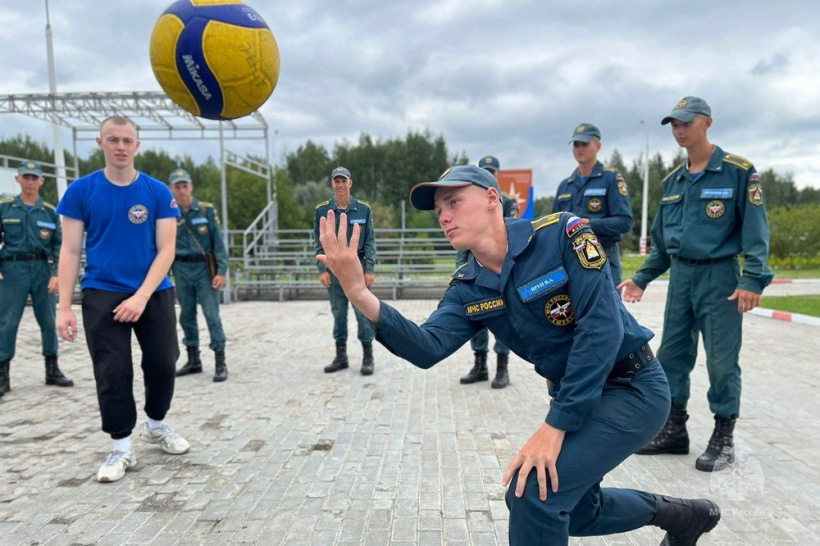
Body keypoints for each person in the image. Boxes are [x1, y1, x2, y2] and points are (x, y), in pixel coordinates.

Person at [318, 164, 721, 545]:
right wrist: (359, 292)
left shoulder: (563, 233)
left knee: (534, 496)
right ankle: (682, 517)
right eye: (439, 210)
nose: (444, 216)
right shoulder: (469, 286)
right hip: (578, 398)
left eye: (454, 202)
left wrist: (555, 425)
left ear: (492, 197)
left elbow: (601, 330)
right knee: (573, 509)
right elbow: (428, 348)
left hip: (631, 388)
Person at [618, 97, 773, 472]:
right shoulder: (673, 182)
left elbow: (756, 231)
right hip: (681, 279)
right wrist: (640, 278)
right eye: (674, 124)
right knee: (671, 357)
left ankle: (723, 436)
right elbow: (662, 243)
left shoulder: (738, 172)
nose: (679, 130)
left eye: (686, 123)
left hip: (721, 277)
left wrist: (753, 278)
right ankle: (674, 430)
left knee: (721, 361)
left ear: (707, 123)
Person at [56, 116, 189, 483]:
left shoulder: (157, 192)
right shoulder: (81, 191)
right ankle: (120, 447)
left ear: (137, 145)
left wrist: (142, 296)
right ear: (100, 142)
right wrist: (65, 308)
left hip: (153, 291)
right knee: (113, 371)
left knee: (164, 361)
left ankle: (156, 424)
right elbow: (69, 251)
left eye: (127, 140)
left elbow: (167, 250)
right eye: (113, 139)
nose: (120, 146)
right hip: (102, 290)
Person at [0, 160, 73, 396]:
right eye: (26, 177)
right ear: (17, 179)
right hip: (13, 270)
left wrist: (56, 275)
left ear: (41, 180)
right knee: (7, 322)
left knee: (49, 321)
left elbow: (59, 245)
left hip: (42, 270)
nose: (30, 182)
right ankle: (3, 374)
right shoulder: (5, 207)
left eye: (35, 178)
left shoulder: (50, 211)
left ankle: (52, 370)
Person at [458, 155, 515, 389]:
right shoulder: (468, 201)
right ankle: (480, 365)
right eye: (484, 171)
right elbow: (463, 238)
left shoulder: (507, 202)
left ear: (498, 174)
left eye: (492, 171)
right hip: (475, 268)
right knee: (475, 316)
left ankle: (502, 368)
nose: (488, 174)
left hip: (499, 267)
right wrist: (460, 269)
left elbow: (513, 233)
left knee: (503, 318)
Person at [314, 166, 377, 375]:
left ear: (350, 183)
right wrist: (321, 269)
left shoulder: (363, 210)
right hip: (333, 268)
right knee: (338, 312)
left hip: (357, 268)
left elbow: (369, 242)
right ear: (332, 184)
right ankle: (341, 356)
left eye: (344, 181)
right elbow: (318, 242)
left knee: (362, 313)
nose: (340, 185)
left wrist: (369, 268)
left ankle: (368, 356)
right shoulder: (322, 211)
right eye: (336, 181)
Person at [552, 123, 633, 287]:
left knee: (608, 310)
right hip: (571, 259)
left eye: (584, 144)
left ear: (598, 145)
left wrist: (589, 225)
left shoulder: (611, 179)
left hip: (603, 256)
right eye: (576, 144)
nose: (579, 148)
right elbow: (555, 225)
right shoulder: (565, 185)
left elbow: (625, 222)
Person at [168, 168, 229, 382]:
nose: (182, 190)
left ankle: (220, 360)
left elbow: (219, 244)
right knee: (186, 315)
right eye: (177, 186)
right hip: (181, 269)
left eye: (185, 185)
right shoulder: (168, 213)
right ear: (171, 189)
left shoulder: (206, 211)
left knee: (211, 314)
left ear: (191, 187)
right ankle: (193, 359)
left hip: (204, 270)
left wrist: (221, 272)